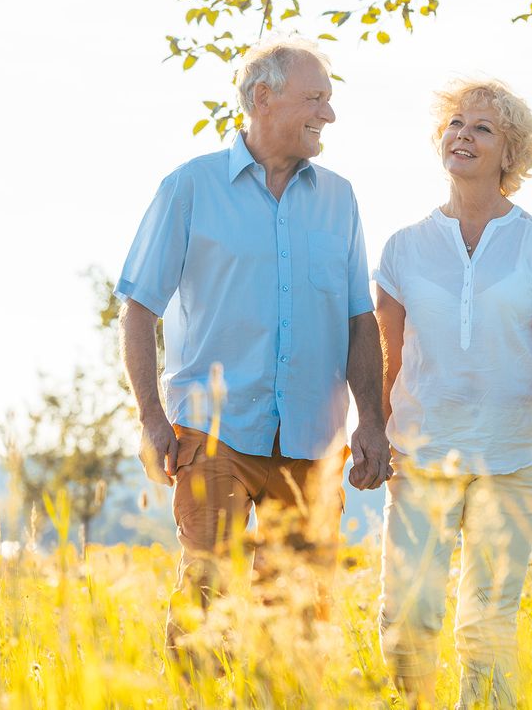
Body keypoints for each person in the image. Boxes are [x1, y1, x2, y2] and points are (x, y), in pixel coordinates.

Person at [113, 35, 391, 658]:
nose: (329, 114)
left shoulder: (340, 198)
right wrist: (153, 417)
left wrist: (372, 419)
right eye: (315, 98)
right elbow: (137, 308)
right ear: (262, 98)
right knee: (209, 594)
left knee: (300, 613)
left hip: (313, 439)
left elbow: (358, 320)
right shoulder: (189, 187)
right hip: (213, 432)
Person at [374, 78, 532, 709]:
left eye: (482, 128)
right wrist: (371, 435)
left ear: (509, 154)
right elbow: (385, 360)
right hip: (420, 455)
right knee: (407, 618)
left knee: (487, 627)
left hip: (511, 460)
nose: (462, 135)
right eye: (456, 124)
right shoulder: (404, 248)